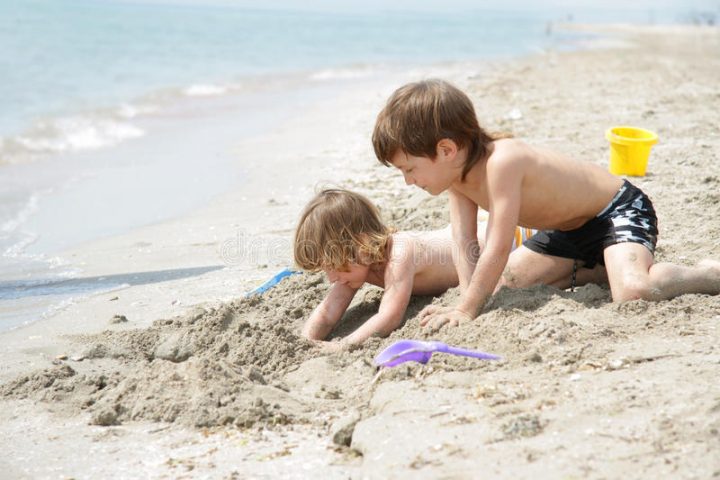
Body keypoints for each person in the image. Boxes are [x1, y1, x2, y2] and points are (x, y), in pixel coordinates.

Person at [371, 79, 720, 331]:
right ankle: (600, 267)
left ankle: (705, 273)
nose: (407, 180)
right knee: (499, 288)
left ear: (446, 149)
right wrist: (465, 299)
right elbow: (465, 243)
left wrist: (466, 308)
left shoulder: (502, 161)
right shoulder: (457, 178)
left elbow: (495, 243)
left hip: (616, 211)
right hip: (567, 231)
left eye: (409, 168)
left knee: (634, 292)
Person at [293, 189, 602, 349]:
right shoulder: (354, 268)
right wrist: (306, 342)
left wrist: (343, 346)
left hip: (515, 239)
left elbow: (389, 317)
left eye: (335, 266)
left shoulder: (400, 253)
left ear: (362, 244)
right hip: (485, 244)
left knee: (531, 276)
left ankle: (592, 269)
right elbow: (327, 312)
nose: (333, 278)